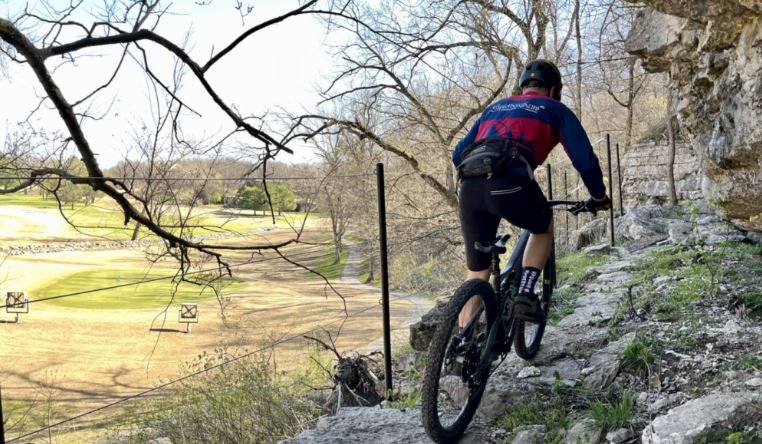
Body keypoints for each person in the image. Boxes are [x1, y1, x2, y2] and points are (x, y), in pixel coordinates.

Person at [452, 59, 611, 323]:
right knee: (543, 225)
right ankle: (525, 294)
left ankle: (460, 351)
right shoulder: (555, 109)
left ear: (523, 86)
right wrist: (598, 196)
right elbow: (585, 161)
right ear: (552, 89)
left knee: (478, 272)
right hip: (509, 184)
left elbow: (459, 153)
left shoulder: (496, 108)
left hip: (469, 186)